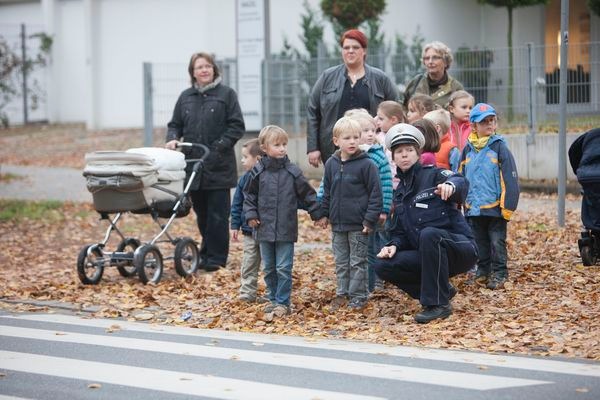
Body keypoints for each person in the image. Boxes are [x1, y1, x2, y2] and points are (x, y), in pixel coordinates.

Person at [373, 123, 478, 324]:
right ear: (393, 158)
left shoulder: (434, 175)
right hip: (429, 255)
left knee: (430, 234)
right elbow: (401, 234)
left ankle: (438, 305)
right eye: (399, 152)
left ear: (418, 153)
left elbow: (460, 182)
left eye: (409, 150)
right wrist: (393, 245)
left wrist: (450, 186)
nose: (404, 155)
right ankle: (442, 290)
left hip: (459, 249)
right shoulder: (400, 194)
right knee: (382, 264)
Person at [166, 52, 245, 271]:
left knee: (218, 215)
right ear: (192, 73)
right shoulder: (185, 97)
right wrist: (172, 139)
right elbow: (175, 125)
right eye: (199, 67)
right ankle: (206, 252)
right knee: (201, 214)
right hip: (194, 167)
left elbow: (237, 126)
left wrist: (218, 147)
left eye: (207, 66)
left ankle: (217, 258)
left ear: (214, 70)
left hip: (219, 165)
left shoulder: (226, 95)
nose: (204, 70)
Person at [244, 125, 323, 319]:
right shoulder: (257, 172)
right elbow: (249, 195)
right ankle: (272, 298)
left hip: (286, 228)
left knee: (283, 268)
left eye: (284, 144)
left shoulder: (293, 172)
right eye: (277, 145)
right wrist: (251, 214)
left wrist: (318, 214)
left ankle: (282, 302)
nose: (282, 148)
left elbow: (308, 195)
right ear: (264, 147)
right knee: (269, 267)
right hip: (263, 229)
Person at [307, 29, 399, 167]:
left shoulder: (380, 78)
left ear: (364, 51)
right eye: (346, 47)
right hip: (334, 149)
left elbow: (395, 110)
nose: (350, 51)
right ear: (342, 51)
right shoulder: (327, 77)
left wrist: (392, 142)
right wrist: (313, 147)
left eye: (355, 47)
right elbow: (313, 111)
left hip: (371, 148)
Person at [319, 117, 383, 309]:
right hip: (338, 224)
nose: (353, 141)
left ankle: (358, 296)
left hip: (359, 224)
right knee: (341, 261)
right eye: (347, 138)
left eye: (356, 137)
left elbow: (375, 194)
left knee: (357, 261)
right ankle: (342, 292)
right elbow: (327, 191)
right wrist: (323, 214)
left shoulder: (367, 164)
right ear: (336, 141)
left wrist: (369, 219)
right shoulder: (331, 163)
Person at [459, 103, 520, 290]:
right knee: (479, 242)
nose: (489, 125)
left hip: (495, 208)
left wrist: (508, 206)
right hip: (474, 208)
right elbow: (460, 177)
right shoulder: (467, 150)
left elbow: (510, 178)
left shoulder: (499, 147)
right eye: (483, 122)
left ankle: (500, 273)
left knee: (496, 242)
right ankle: (483, 272)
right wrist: (461, 203)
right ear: (473, 126)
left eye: (491, 121)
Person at [353, 112, 392, 292]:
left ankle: (375, 280)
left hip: (373, 211)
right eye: (365, 131)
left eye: (372, 130)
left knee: (373, 247)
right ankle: (358, 285)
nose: (370, 134)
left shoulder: (378, 156)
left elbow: (385, 183)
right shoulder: (348, 156)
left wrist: (384, 209)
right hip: (354, 212)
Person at [230, 139, 264, 303]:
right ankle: (247, 293)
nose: (242, 161)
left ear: (257, 158)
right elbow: (237, 203)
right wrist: (234, 224)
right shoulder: (243, 179)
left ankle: (274, 294)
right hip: (249, 232)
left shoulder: (267, 178)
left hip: (266, 231)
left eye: (245, 157)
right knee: (249, 262)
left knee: (270, 264)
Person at [402, 41, 464, 109]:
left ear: (446, 62)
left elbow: (461, 114)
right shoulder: (416, 82)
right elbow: (403, 107)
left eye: (435, 58)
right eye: (427, 58)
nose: (430, 62)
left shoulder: (456, 88)